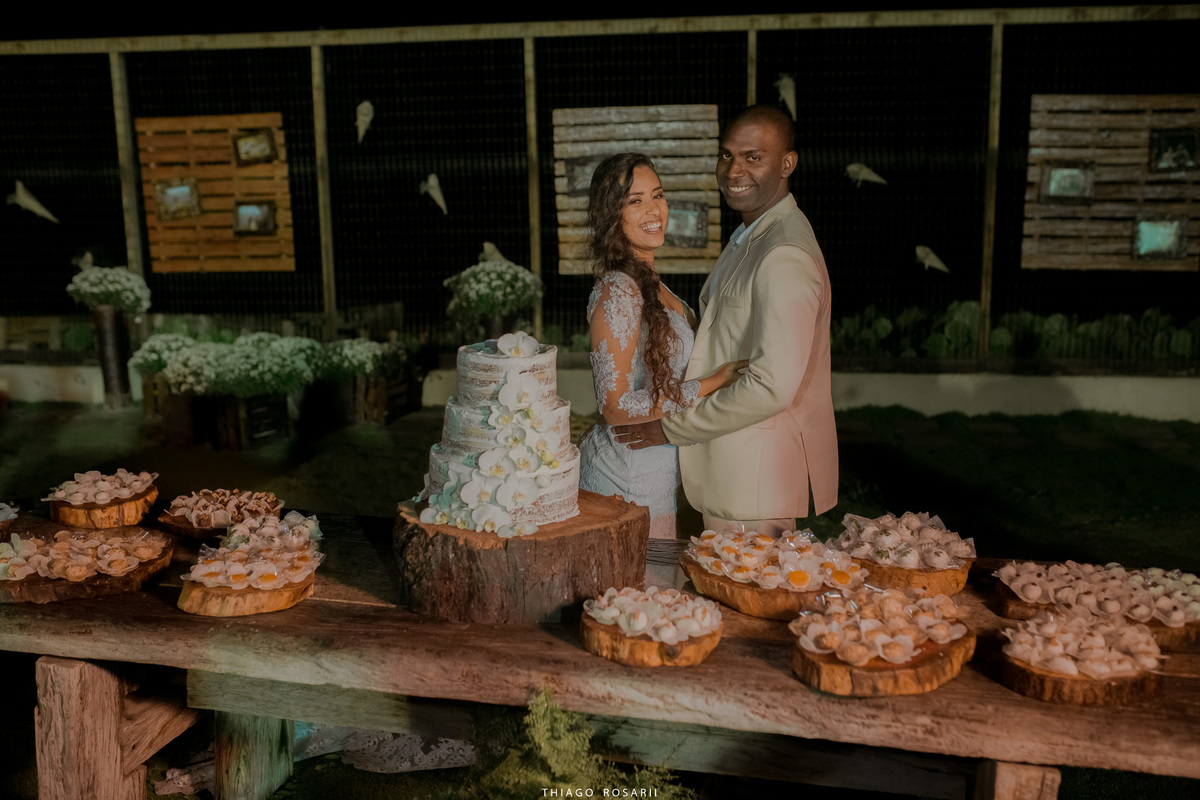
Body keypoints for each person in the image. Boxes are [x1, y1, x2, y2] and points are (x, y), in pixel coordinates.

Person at [614, 105, 838, 538]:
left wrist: (671, 427)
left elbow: (771, 385)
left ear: (787, 164)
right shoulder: (752, 235)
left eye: (753, 157)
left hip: (755, 478)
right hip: (733, 469)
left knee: (750, 594)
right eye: (726, 155)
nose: (734, 170)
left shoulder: (784, 254)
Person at [578, 152, 746, 540]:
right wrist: (709, 383)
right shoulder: (618, 290)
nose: (654, 210)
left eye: (658, 195)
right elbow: (615, 406)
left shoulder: (656, 286)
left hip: (656, 472)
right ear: (611, 216)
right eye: (635, 201)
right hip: (623, 477)